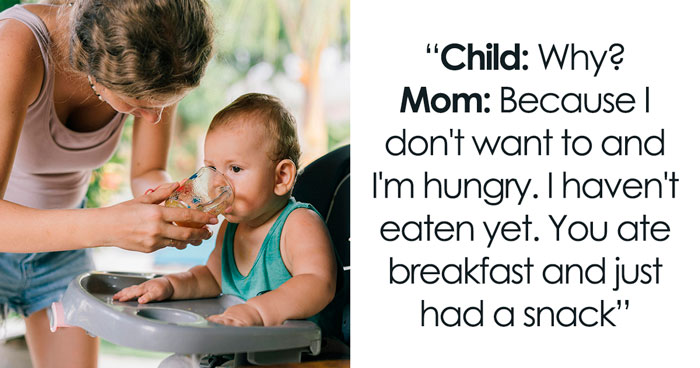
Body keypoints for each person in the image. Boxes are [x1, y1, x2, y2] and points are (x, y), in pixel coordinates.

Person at [0, 1, 216, 367]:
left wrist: (169, 205)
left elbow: (147, 170)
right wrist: (110, 226)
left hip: (61, 252)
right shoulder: (17, 47)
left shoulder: (162, 58)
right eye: (136, 105)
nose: (154, 117)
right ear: (91, 64)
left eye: (165, 104)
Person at [113, 93, 338, 335]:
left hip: (303, 355)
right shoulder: (232, 227)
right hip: (242, 349)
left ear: (281, 176)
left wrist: (257, 312)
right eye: (211, 168)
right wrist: (169, 285)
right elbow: (211, 277)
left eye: (235, 168)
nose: (217, 183)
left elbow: (318, 283)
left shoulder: (298, 224)